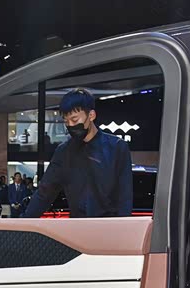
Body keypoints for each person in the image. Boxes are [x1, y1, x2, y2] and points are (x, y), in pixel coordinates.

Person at [23, 88, 133, 218]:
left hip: (109, 226)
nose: (70, 125)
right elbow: (44, 193)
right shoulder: (64, 152)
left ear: (91, 115)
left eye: (74, 120)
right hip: (76, 226)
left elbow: (125, 197)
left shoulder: (116, 147)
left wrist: (123, 226)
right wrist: (22, 223)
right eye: (66, 121)